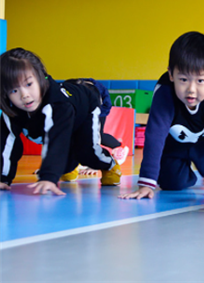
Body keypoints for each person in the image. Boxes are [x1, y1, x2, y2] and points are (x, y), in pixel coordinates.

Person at [119, 32, 204, 200]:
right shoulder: (165, 92)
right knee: (171, 183)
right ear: (171, 74)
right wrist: (146, 184)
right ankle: (185, 174)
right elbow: (155, 135)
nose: (191, 89)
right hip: (175, 146)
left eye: (200, 81)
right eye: (183, 79)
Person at [0, 48, 121, 194]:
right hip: (64, 117)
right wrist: (3, 178)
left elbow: (58, 140)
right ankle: (70, 166)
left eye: (29, 84)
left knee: (88, 153)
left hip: (86, 106)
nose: (24, 95)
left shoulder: (57, 104)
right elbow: (6, 144)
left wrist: (49, 177)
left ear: (41, 77)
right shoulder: (12, 109)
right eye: (14, 91)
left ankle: (110, 165)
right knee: (65, 166)